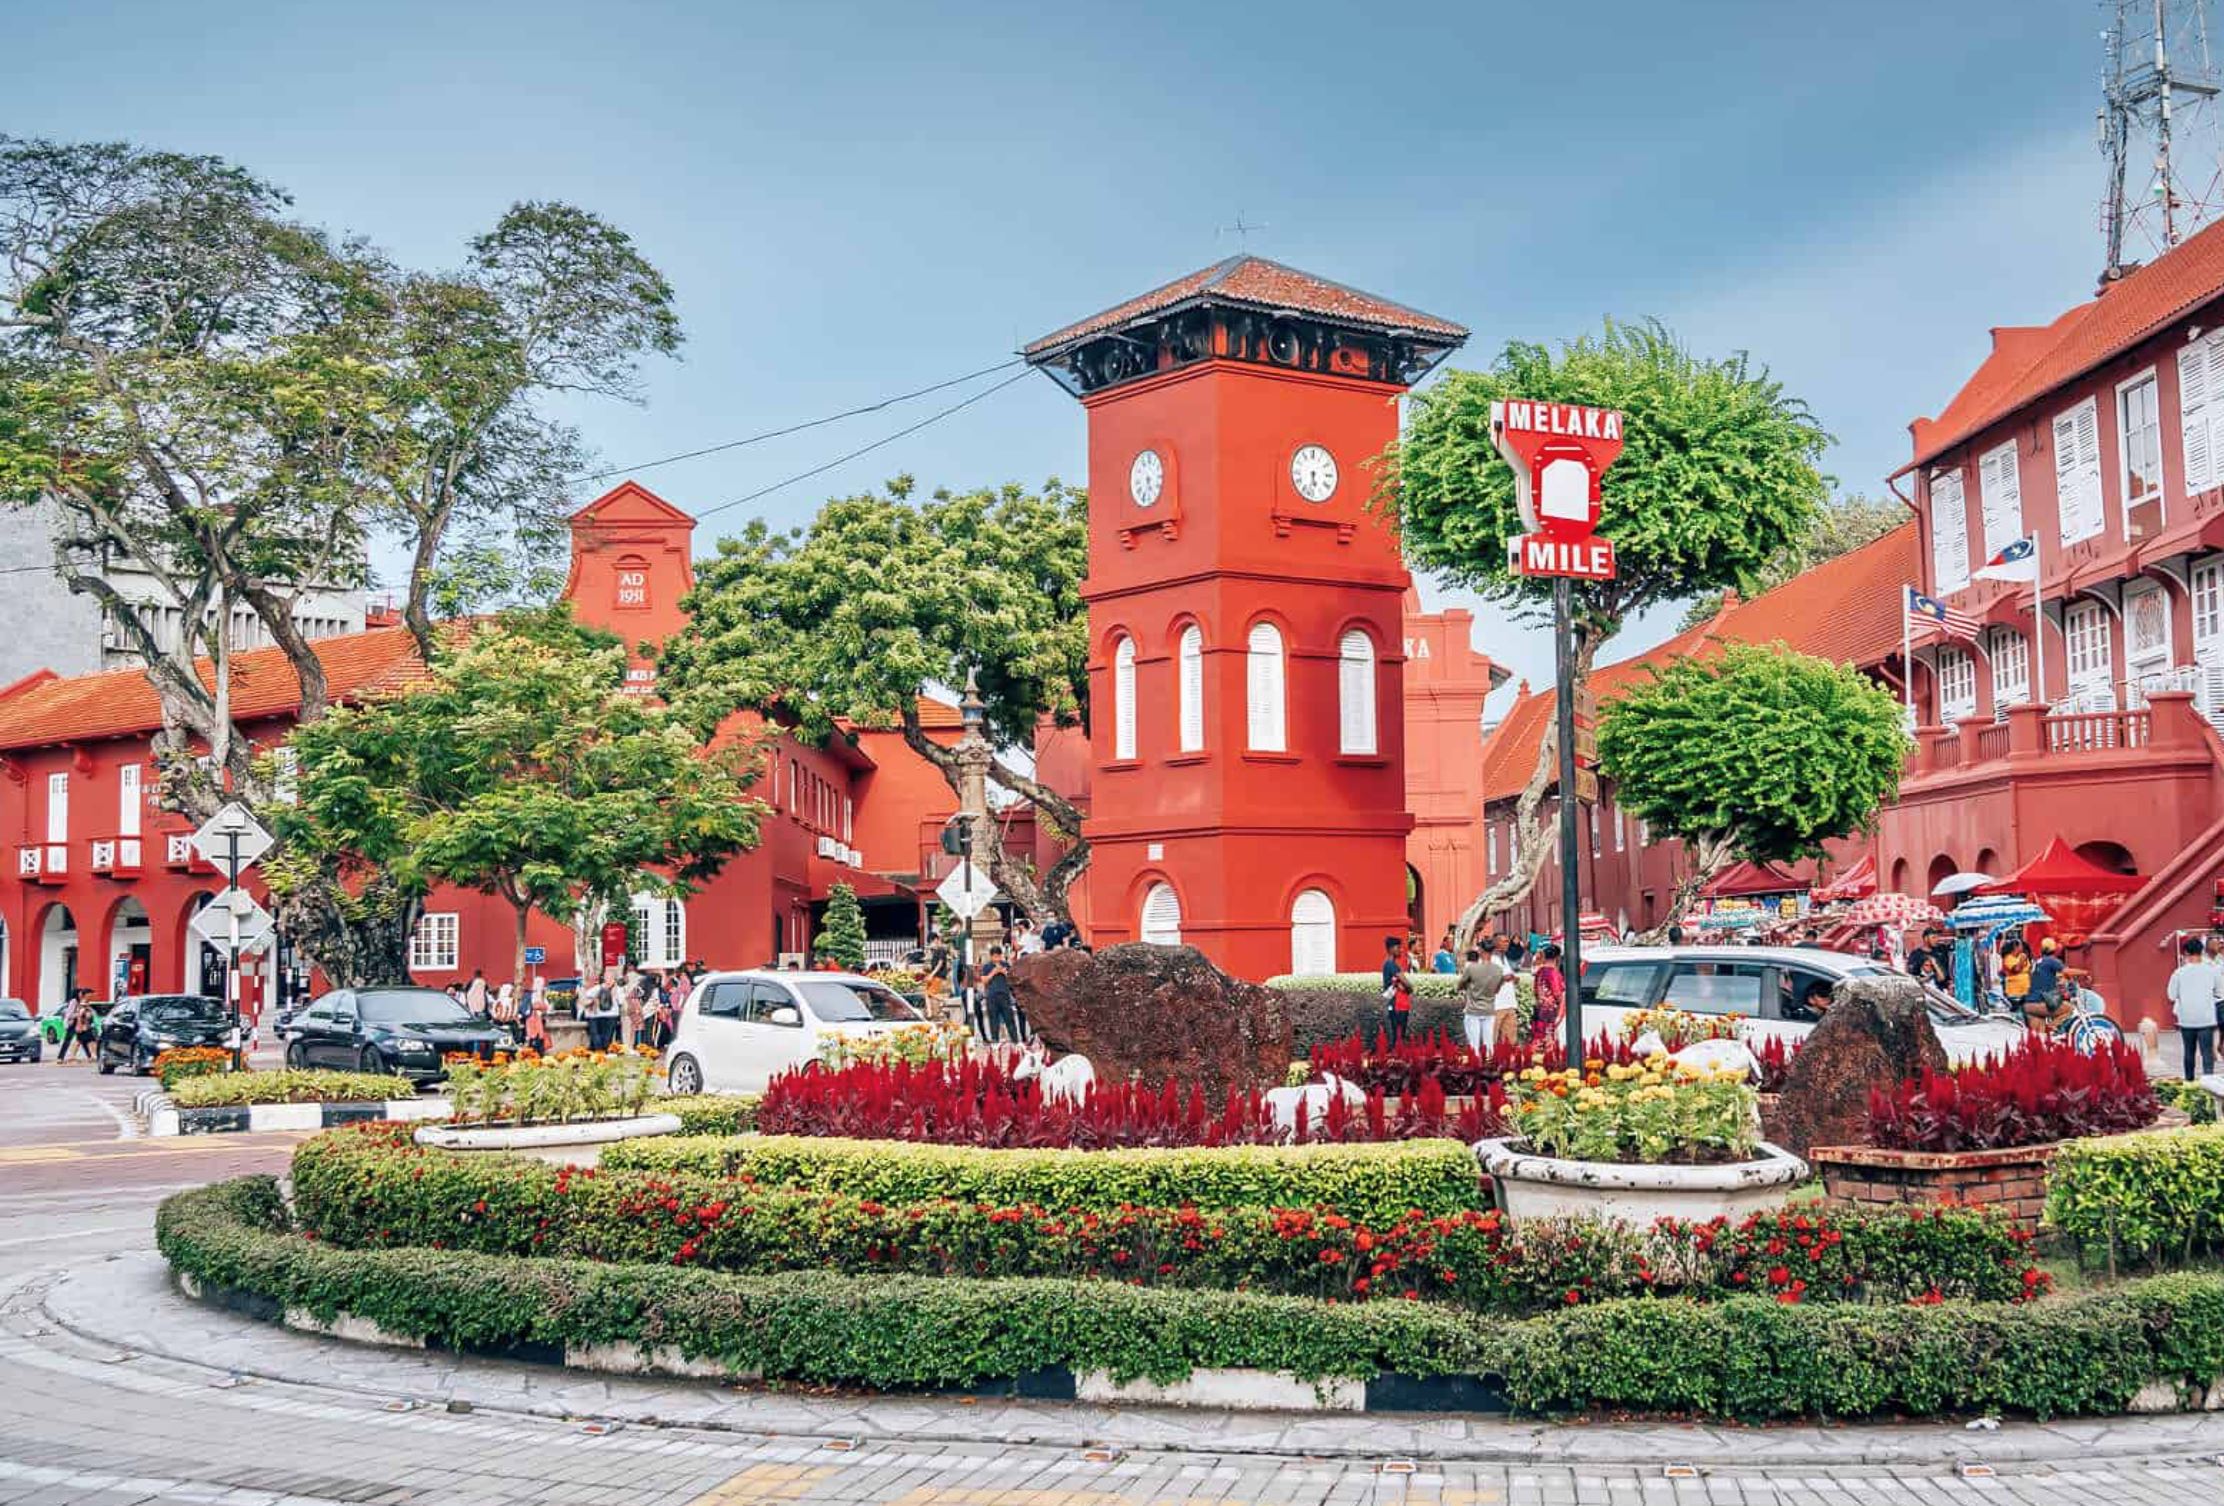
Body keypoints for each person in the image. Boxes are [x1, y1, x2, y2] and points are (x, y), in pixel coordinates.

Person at [2166, 934, 2220, 1079]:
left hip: (2187, 1018)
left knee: (2189, 1052)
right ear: (2201, 952)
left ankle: (2189, 1082)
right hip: (2206, 1018)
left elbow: (2171, 996)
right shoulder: (2212, 971)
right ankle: (2209, 1083)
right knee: (2207, 1053)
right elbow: (2220, 991)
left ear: (2186, 953)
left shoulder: (2178, 973)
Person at [1456, 942, 1506, 1053]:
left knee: (1474, 1046)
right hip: (1489, 1009)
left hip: (1473, 1010)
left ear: (1480, 951)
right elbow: (1496, 990)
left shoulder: (1472, 968)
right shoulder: (1498, 970)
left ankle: (1476, 1067)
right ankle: (1490, 1067)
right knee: (1489, 1046)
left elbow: (1460, 986)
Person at [1531, 943, 1567, 1049]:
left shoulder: (1540, 971)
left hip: (1540, 1009)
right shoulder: (1553, 973)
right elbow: (1557, 994)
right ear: (1557, 957)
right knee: (1549, 1041)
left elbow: (1535, 990)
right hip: (1551, 1011)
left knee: (1538, 1039)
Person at [1380, 935, 1413, 1047]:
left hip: (1398, 1004)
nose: (1401, 950)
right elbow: (1408, 985)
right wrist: (1406, 987)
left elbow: (1405, 985)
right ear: (1390, 949)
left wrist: (1404, 986)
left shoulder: (1390, 965)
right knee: (1398, 1036)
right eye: (1398, 947)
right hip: (1397, 1005)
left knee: (1397, 1035)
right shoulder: (1391, 965)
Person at [982, 946, 1019, 1044]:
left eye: (999, 956)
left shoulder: (1005, 965)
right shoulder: (987, 966)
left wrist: (1004, 972)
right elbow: (984, 980)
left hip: (1004, 995)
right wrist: (993, 972)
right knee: (993, 1020)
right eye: (995, 956)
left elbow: (1012, 979)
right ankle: (995, 1041)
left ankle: (1015, 1041)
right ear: (991, 956)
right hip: (992, 996)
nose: (997, 959)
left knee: (1009, 1019)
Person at [56, 989, 97, 1064]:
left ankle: (89, 1056)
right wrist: (78, 1014)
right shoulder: (74, 1001)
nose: (81, 994)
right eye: (80, 993)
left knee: (83, 1040)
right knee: (68, 1040)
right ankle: (60, 1057)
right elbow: (69, 1015)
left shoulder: (84, 1001)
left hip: (81, 1022)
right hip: (73, 1023)